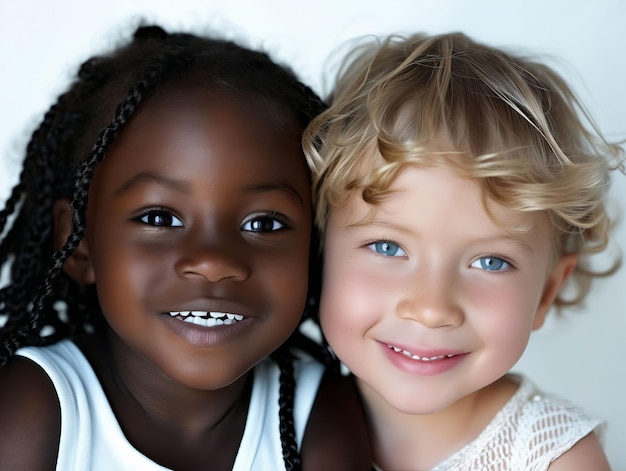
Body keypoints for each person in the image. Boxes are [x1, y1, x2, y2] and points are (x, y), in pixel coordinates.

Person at [0, 24, 371, 470]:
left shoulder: (318, 414)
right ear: (78, 244)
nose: (213, 261)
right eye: (159, 218)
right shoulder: (36, 407)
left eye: (264, 222)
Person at [303, 32, 624, 470]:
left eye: (490, 262)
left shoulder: (554, 461)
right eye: (387, 246)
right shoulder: (273, 409)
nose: (432, 308)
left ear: (547, 292)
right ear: (319, 256)